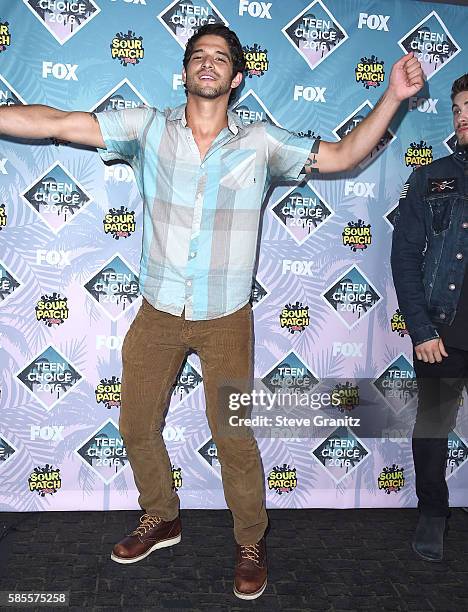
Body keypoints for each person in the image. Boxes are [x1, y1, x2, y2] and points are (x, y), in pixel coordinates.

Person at [0, 23, 423, 599]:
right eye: (198, 55)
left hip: (227, 316)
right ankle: (163, 517)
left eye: (220, 57)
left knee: (233, 435)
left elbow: (347, 155)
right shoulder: (146, 127)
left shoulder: (261, 143)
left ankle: (250, 540)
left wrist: (394, 97)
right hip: (158, 310)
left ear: (237, 77)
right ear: (185, 71)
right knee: (134, 424)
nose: (207, 63)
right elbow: (56, 122)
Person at [391, 74, 468, 563]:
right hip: (443, 330)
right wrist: (420, 328)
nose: (463, 117)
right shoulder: (432, 177)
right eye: (459, 109)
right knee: (434, 424)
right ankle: (432, 512)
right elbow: (404, 256)